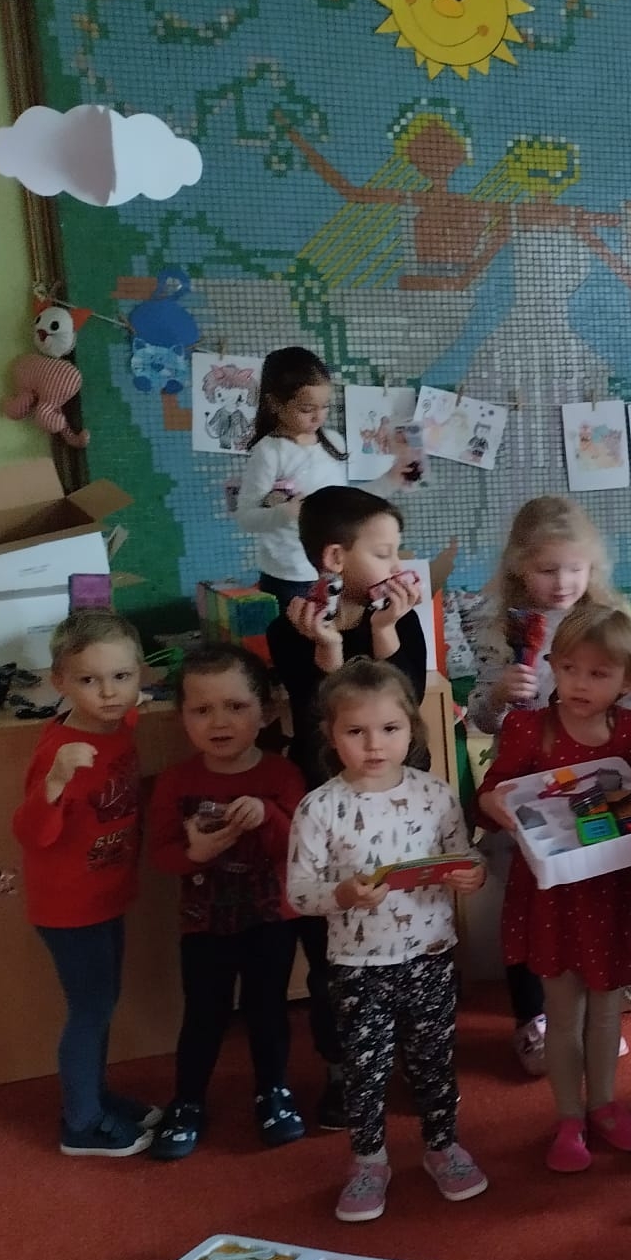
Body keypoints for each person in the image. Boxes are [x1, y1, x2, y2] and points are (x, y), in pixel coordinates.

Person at [287, 660, 487, 1221]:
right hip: (357, 963)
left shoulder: (436, 795)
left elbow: (464, 856)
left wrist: (472, 873)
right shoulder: (319, 807)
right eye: (356, 731)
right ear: (331, 735)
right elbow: (299, 893)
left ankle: (443, 1146)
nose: (374, 744)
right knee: (364, 1067)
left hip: (430, 955)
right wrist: (343, 894)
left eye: (389, 729)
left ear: (411, 730)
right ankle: (369, 1160)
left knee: (435, 1060)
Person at [267, 485, 427, 1133]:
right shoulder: (291, 628)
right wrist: (329, 655)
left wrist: (386, 634)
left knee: (407, 935)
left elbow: (407, 704)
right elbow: (320, 727)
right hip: (331, 818)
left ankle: (409, 1053)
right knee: (333, 948)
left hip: (400, 811)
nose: (397, 564)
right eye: (383, 552)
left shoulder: (399, 618)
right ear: (335, 557)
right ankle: (341, 1066)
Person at [463, 495, 631, 1073]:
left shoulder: (609, 617)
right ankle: (532, 1017)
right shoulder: (497, 626)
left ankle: (593, 1011)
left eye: (574, 568)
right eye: (546, 569)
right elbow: (482, 718)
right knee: (529, 899)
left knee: (593, 895)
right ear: (519, 566)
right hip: (526, 778)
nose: (562, 582)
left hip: (593, 772)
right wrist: (496, 697)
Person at [477, 604, 631, 1174]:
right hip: (552, 895)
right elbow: (490, 794)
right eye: (569, 668)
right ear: (552, 665)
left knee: (607, 1009)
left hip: (611, 893)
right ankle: (569, 1116)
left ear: (627, 679)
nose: (580, 683)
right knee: (561, 1008)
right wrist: (498, 805)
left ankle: (604, 1104)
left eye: (598, 673)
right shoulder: (529, 728)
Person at [144, 645, 307, 1158]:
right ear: (182, 717)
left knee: (267, 1011)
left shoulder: (281, 775)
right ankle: (187, 1100)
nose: (219, 722)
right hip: (204, 925)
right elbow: (162, 856)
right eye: (202, 709)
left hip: (270, 919)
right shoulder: (175, 782)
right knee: (204, 1014)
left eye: (236, 706)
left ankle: (273, 1090)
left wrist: (267, 814)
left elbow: (300, 848)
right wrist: (196, 852)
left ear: (266, 711)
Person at [12, 610, 159, 1156]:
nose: (109, 692)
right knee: (91, 1009)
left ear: (140, 673)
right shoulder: (60, 751)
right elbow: (31, 833)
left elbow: (126, 712)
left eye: (122, 676)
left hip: (104, 896)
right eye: (89, 680)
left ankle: (93, 1097)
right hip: (69, 909)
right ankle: (80, 1123)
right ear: (60, 683)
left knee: (103, 1001)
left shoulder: (118, 723)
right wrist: (54, 781)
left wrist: (138, 700)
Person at [236, 347, 416, 611]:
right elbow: (246, 517)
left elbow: (346, 507)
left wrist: (390, 480)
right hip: (289, 576)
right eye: (307, 409)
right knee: (297, 636)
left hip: (334, 570)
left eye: (325, 407)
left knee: (335, 633)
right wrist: (286, 512)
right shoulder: (269, 452)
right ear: (275, 404)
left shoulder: (333, 442)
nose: (318, 416)